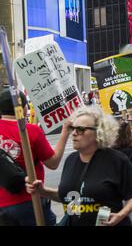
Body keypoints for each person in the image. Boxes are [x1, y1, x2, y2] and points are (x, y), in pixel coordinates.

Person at [26, 106, 132, 226]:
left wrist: (120, 215)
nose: (74, 133)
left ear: (99, 132)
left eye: (80, 129)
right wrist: (43, 191)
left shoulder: (117, 160)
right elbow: (69, 196)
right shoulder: (70, 160)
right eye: (73, 128)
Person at [0, 88, 69, 226]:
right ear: (25, 108)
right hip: (30, 201)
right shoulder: (31, 131)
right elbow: (53, 163)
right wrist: (65, 132)